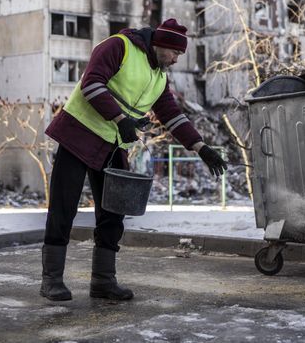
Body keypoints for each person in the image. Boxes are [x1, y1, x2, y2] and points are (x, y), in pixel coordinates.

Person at [40, 18, 228, 302]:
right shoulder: (119, 46)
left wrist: (200, 147)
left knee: (114, 214)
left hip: (113, 145)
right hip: (78, 134)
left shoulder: (159, 76)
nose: (177, 59)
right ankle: (51, 280)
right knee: (64, 208)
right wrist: (120, 118)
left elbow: (172, 115)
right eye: (175, 53)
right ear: (161, 44)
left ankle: (103, 281)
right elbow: (91, 84)